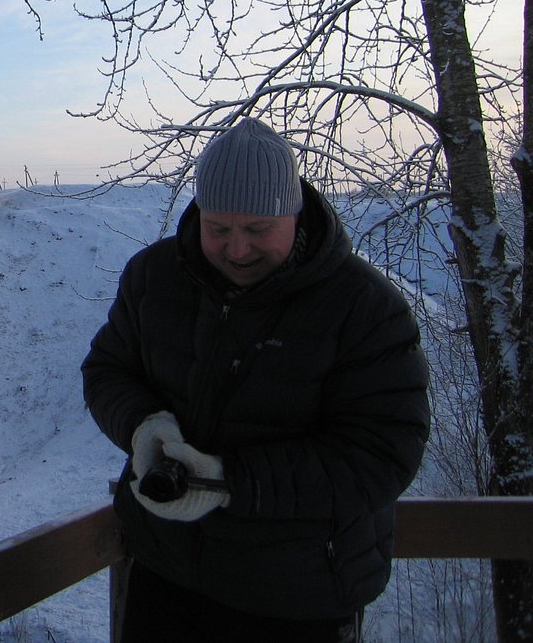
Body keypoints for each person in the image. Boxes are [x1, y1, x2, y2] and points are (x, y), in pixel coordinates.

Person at [81, 118, 429, 642]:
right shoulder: (155, 278)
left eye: (257, 230)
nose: (236, 250)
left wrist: (229, 482)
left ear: (293, 214)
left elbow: (382, 453)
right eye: (218, 228)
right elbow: (108, 369)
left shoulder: (364, 309)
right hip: (164, 574)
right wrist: (144, 426)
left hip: (298, 598)